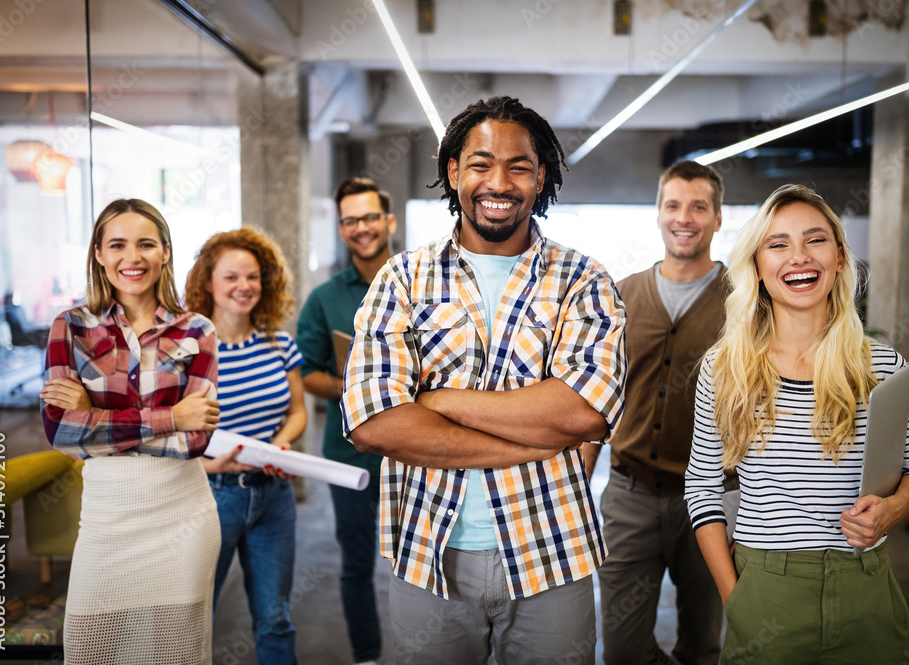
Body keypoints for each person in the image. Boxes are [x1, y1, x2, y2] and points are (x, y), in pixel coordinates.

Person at [340, 95, 626, 664]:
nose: (499, 181)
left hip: (554, 552)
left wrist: (439, 399)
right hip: (428, 552)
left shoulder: (584, 279)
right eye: (480, 163)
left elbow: (583, 414)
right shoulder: (403, 279)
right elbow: (374, 423)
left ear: (540, 176)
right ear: (453, 171)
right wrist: (535, 438)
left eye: (519, 166)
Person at [684, 184, 909, 663]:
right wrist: (734, 595)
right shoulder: (725, 369)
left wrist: (893, 509)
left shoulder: (883, 366)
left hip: (867, 589)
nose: (798, 257)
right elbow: (701, 486)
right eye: (777, 244)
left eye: (815, 240)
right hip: (765, 588)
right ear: (757, 268)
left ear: (840, 258)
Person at [40, 198, 221, 665]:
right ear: (99, 253)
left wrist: (94, 416)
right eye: (117, 245)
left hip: (182, 519)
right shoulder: (71, 327)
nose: (131, 257)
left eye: (146, 244)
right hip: (106, 521)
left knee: (174, 653)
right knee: (88, 649)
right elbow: (60, 431)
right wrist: (169, 417)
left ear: (165, 252)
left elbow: (195, 439)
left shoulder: (196, 330)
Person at [584, 161, 728, 665]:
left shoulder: (748, 304)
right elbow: (595, 401)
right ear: (658, 213)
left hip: (713, 500)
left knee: (703, 646)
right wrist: (580, 484)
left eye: (698, 207)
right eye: (673, 205)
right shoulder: (621, 297)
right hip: (629, 497)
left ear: (717, 218)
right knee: (622, 651)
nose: (684, 217)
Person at [185, 227, 307, 665]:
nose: (244, 287)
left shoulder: (279, 343)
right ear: (208, 283)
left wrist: (280, 443)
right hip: (209, 497)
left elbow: (297, 411)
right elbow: (166, 427)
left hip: (273, 496)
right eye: (232, 277)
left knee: (275, 620)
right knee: (194, 619)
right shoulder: (187, 351)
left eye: (253, 277)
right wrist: (201, 466)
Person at [295, 176, 395, 665]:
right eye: (350, 220)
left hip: (417, 457)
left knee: (420, 566)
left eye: (370, 216)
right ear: (341, 229)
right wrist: (349, 388)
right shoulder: (324, 298)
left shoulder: (423, 283)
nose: (362, 228)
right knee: (356, 565)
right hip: (348, 457)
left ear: (389, 221)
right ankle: (368, 657)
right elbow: (308, 374)